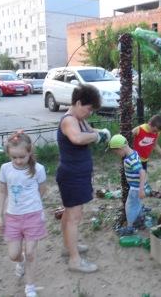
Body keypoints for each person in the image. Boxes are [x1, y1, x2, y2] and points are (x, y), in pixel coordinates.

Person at [56, 84, 110, 273]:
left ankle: (68, 247)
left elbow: (89, 132)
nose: (89, 113)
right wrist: (97, 136)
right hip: (72, 176)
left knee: (69, 213)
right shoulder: (69, 120)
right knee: (74, 217)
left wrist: (98, 133)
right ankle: (75, 260)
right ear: (78, 103)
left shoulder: (79, 119)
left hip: (78, 174)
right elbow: (78, 139)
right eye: (88, 109)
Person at [0, 131, 47, 297]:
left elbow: (42, 190)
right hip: (13, 217)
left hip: (33, 216)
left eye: (22, 157)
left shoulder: (38, 169)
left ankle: (30, 287)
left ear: (29, 152)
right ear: (9, 155)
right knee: (13, 255)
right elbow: (2, 191)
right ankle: (21, 261)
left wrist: (32, 205)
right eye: (14, 158)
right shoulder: (5, 169)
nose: (18, 161)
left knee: (31, 252)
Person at [108, 134, 146, 236]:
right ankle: (140, 220)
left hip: (135, 188)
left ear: (121, 149)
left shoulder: (130, 160)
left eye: (116, 152)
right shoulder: (134, 153)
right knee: (136, 204)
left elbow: (142, 172)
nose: (117, 154)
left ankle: (129, 227)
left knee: (129, 206)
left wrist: (141, 189)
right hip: (137, 187)